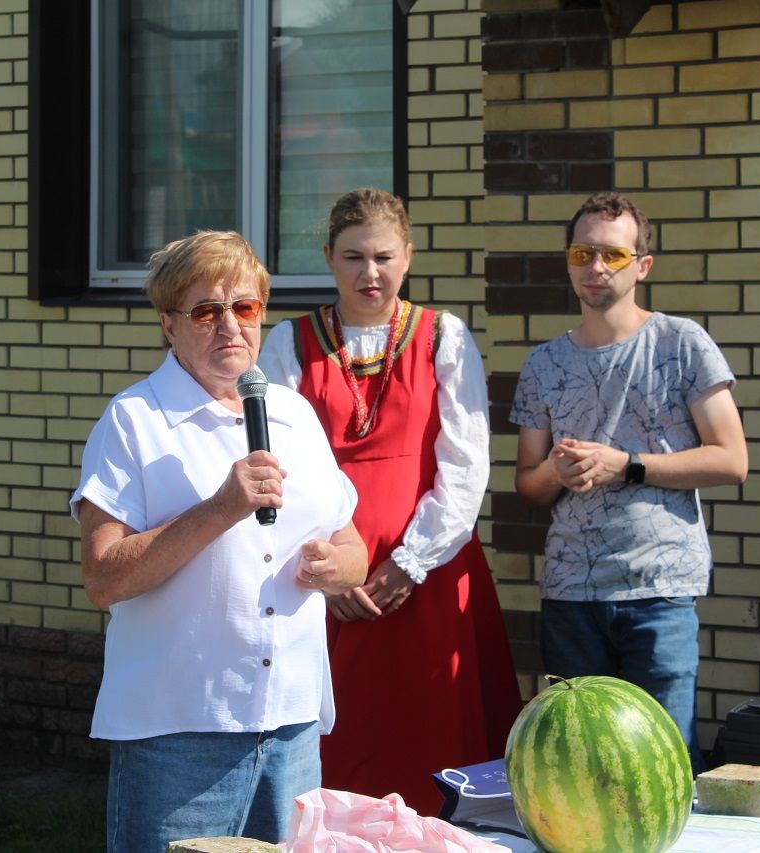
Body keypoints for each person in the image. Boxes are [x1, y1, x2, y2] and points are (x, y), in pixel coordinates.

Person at [70, 231, 369, 853]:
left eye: (246, 308)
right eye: (205, 311)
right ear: (168, 324)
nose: (229, 326)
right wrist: (222, 509)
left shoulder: (294, 414)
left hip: (291, 725)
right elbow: (104, 579)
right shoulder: (133, 421)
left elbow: (354, 547)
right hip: (180, 734)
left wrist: (335, 567)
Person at [258, 188, 521, 816]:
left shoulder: (443, 338)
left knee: (432, 720)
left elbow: (465, 462)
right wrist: (328, 572)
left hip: (429, 567)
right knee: (339, 730)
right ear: (328, 258)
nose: (368, 273)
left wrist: (411, 561)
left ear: (407, 257)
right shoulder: (289, 345)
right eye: (352, 257)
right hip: (323, 567)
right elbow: (279, 466)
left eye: (382, 257)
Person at [509, 191, 748, 772]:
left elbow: (732, 459)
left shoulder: (680, 343)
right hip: (570, 594)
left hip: (659, 590)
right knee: (578, 771)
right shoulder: (544, 363)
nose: (595, 268)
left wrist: (628, 464)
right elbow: (528, 485)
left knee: (660, 768)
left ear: (642, 265)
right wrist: (556, 473)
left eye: (613, 255)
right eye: (582, 253)